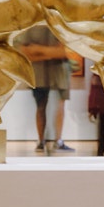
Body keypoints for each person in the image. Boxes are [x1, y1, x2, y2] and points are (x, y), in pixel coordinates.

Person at [17, 24, 74, 153]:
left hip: (58, 72)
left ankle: (57, 140)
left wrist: (38, 50)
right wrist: (52, 53)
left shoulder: (61, 24)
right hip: (40, 73)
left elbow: (65, 51)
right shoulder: (31, 25)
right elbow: (26, 52)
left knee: (59, 105)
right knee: (41, 105)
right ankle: (41, 140)